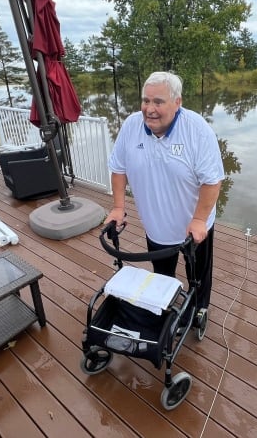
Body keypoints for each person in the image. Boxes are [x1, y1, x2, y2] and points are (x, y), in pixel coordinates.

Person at [105, 71, 224, 326]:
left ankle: (200, 308)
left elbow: (212, 181)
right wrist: (118, 207)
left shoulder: (197, 130)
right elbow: (118, 167)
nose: (149, 109)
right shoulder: (131, 126)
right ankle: (167, 310)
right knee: (162, 276)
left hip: (194, 226)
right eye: (145, 101)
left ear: (177, 102)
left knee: (198, 275)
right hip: (156, 226)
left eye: (158, 102)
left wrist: (200, 219)